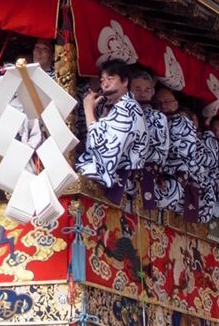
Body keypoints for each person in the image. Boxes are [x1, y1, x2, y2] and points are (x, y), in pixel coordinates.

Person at [76, 58, 148, 202]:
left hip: (118, 179)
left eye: (110, 78)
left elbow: (105, 149)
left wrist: (88, 109)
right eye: (102, 80)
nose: (105, 84)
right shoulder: (111, 107)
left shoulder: (128, 108)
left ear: (125, 81)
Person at [153, 86, 199, 218]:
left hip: (173, 179)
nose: (163, 106)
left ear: (175, 104)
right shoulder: (158, 119)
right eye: (158, 103)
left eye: (166, 102)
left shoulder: (182, 122)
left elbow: (177, 154)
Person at [129, 70, 169, 209]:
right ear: (129, 90)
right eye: (137, 89)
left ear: (152, 92)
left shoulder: (160, 118)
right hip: (126, 173)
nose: (142, 93)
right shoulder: (122, 111)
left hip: (150, 175)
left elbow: (164, 149)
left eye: (147, 89)